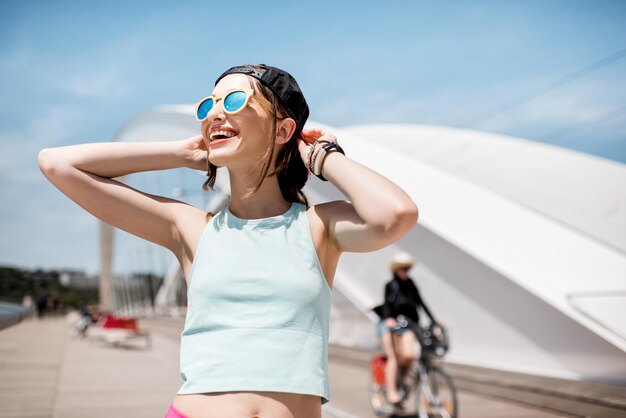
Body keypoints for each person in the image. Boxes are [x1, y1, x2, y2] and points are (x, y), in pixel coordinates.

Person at [38, 64, 418, 418]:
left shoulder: (319, 226)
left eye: (234, 101)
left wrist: (319, 154)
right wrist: (182, 153)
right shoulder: (190, 228)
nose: (214, 114)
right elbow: (57, 164)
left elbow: (395, 215)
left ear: (283, 130)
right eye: (209, 104)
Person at [373, 251, 436, 407]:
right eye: (403, 268)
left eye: (408, 268)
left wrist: (434, 320)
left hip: (406, 325)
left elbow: (422, 303)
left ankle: (400, 381)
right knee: (394, 357)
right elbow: (387, 305)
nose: (406, 272)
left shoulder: (411, 284)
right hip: (389, 325)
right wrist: (388, 319)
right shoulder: (390, 285)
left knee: (409, 355)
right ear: (396, 269)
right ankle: (391, 392)